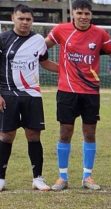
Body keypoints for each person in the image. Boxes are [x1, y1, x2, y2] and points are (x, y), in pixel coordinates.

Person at [45, 0, 111, 191]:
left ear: (91, 15)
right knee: (65, 133)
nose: (83, 17)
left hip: (90, 92)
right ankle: (62, 177)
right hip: (67, 91)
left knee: (89, 133)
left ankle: (87, 177)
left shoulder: (100, 33)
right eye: (79, 13)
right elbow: (42, 48)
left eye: (87, 13)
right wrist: (60, 69)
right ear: (73, 14)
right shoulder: (61, 30)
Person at [0, 4, 58, 193]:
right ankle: (0, 179)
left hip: (32, 95)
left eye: (28, 19)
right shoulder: (3, 39)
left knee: (34, 135)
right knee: (6, 136)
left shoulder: (38, 40)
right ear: (13, 18)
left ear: (32, 21)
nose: (25, 22)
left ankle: (38, 178)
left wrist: (66, 70)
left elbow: (44, 62)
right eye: (21, 18)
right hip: (8, 94)